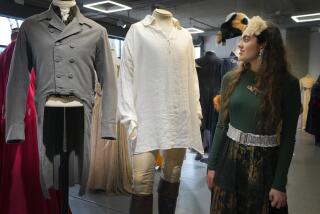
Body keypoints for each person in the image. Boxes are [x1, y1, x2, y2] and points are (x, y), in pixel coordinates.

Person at [207, 16, 301, 214]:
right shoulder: (230, 79)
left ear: (263, 44)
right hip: (229, 161)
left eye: (246, 39)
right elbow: (222, 125)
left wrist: (279, 182)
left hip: (265, 166)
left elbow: (288, 138)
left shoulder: (288, 85)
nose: (239, 45)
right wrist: (212, 165)